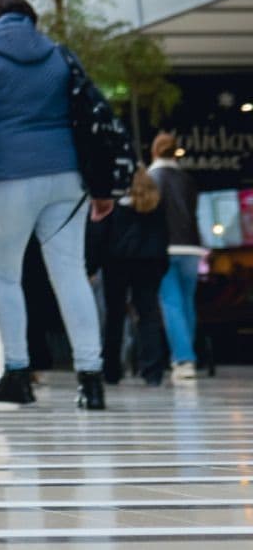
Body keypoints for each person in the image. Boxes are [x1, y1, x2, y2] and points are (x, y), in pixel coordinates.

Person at [0, 0, 112, 409]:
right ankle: (91, 380)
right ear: (29, 19)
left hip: (7, 178)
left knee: (2, 276)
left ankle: (17, 374)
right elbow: (91, 114)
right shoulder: (59, 54)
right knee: (70, 273)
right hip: (68, 178)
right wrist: (103, 185)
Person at [94, 161, 167, 386]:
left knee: (114, 316)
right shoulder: (155, 203)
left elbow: (100, 235)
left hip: (117, 263)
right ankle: (153, 371)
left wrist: (92, 264)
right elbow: (164, 234)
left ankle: (111, 369)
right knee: (148, 314)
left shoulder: (114, 203)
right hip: (149, 263)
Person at [152, 131, 204, 383]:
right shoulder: (187, 179)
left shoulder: (152, 177)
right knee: (186, 303)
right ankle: (184, 356)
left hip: (165, 247)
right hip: (192, 247)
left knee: (171, 303)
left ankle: (183, 359)